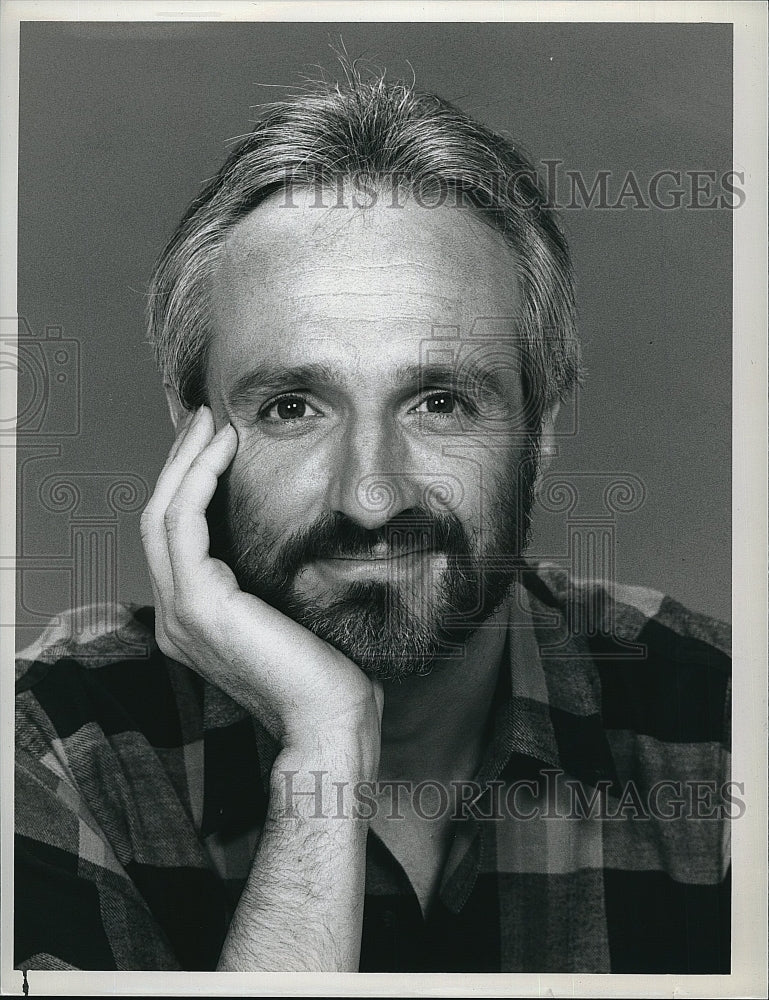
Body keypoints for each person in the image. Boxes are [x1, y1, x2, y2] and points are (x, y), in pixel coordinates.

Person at [15, 65, 731, 974]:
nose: (371, 498)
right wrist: (326, 744)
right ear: (192, 436)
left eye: (439, 402)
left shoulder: (720, 721)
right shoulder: (50, 745)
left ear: (540, 427)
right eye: (292, 407)